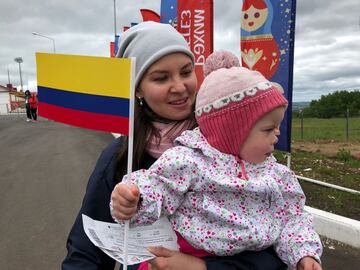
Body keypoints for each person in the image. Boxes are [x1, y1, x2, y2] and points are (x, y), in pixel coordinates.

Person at [62, 22, 287, 270]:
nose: (180, 87)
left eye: (186, 72)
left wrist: (204, 268)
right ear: (137, 88)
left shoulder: (233, 145)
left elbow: (278, 246)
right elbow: (87, 251)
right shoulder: (120, 157)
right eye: (161, 78)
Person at [110, 51, 323, 270]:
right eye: (269, 128)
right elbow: (158, 186)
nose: (277, 135)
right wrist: (134, 199)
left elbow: (292, 218)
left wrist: (304, 254)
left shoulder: (278, 175)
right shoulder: (189, 161)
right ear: (232, 132)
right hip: (183, 257)